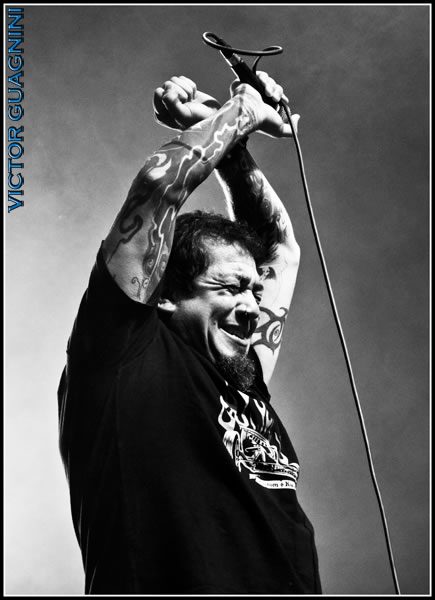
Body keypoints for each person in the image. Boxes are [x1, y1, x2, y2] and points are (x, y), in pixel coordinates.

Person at [58, 70, 322, 594]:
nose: (253, 307)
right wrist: (243, 109)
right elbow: (160, 185)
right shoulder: (124, 351)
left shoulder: (243, 375)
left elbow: (280, 249)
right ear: (165, 293)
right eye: (230, 288)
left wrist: (229, 144)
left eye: (255, 291)